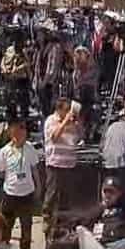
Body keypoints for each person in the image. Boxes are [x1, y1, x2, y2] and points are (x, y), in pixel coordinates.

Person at [46, 176, 125, 249]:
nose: (107, 195)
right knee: (54, 248)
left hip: (113, 244)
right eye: (105, 191)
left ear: (119, 193)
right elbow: (83, 219)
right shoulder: (99, 208)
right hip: (94, 244)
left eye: (111, 192)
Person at [0, 120, 39, 249]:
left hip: (27, 194)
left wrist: (38, 187)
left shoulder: (30, 148)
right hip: (10, 194)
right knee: (6, 226)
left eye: (22, 130)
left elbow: (34, 169)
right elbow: (0, 172)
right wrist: (12, 177)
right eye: (16, 131)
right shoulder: (4, 151)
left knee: (26, 227)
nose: (20, 134)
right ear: (11, 133)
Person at [43, 98, 81, 235]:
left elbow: (81, 136)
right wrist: (65, 122)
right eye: (66, 110)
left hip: (69, 164)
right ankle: (47, 220)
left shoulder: (72, 123)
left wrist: (77, 123)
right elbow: (54, 137)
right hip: (55, 163)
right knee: (52, 194)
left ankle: (63, 224)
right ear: (59, 110)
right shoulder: (51, 120)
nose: (69, 112)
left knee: (66, 197)